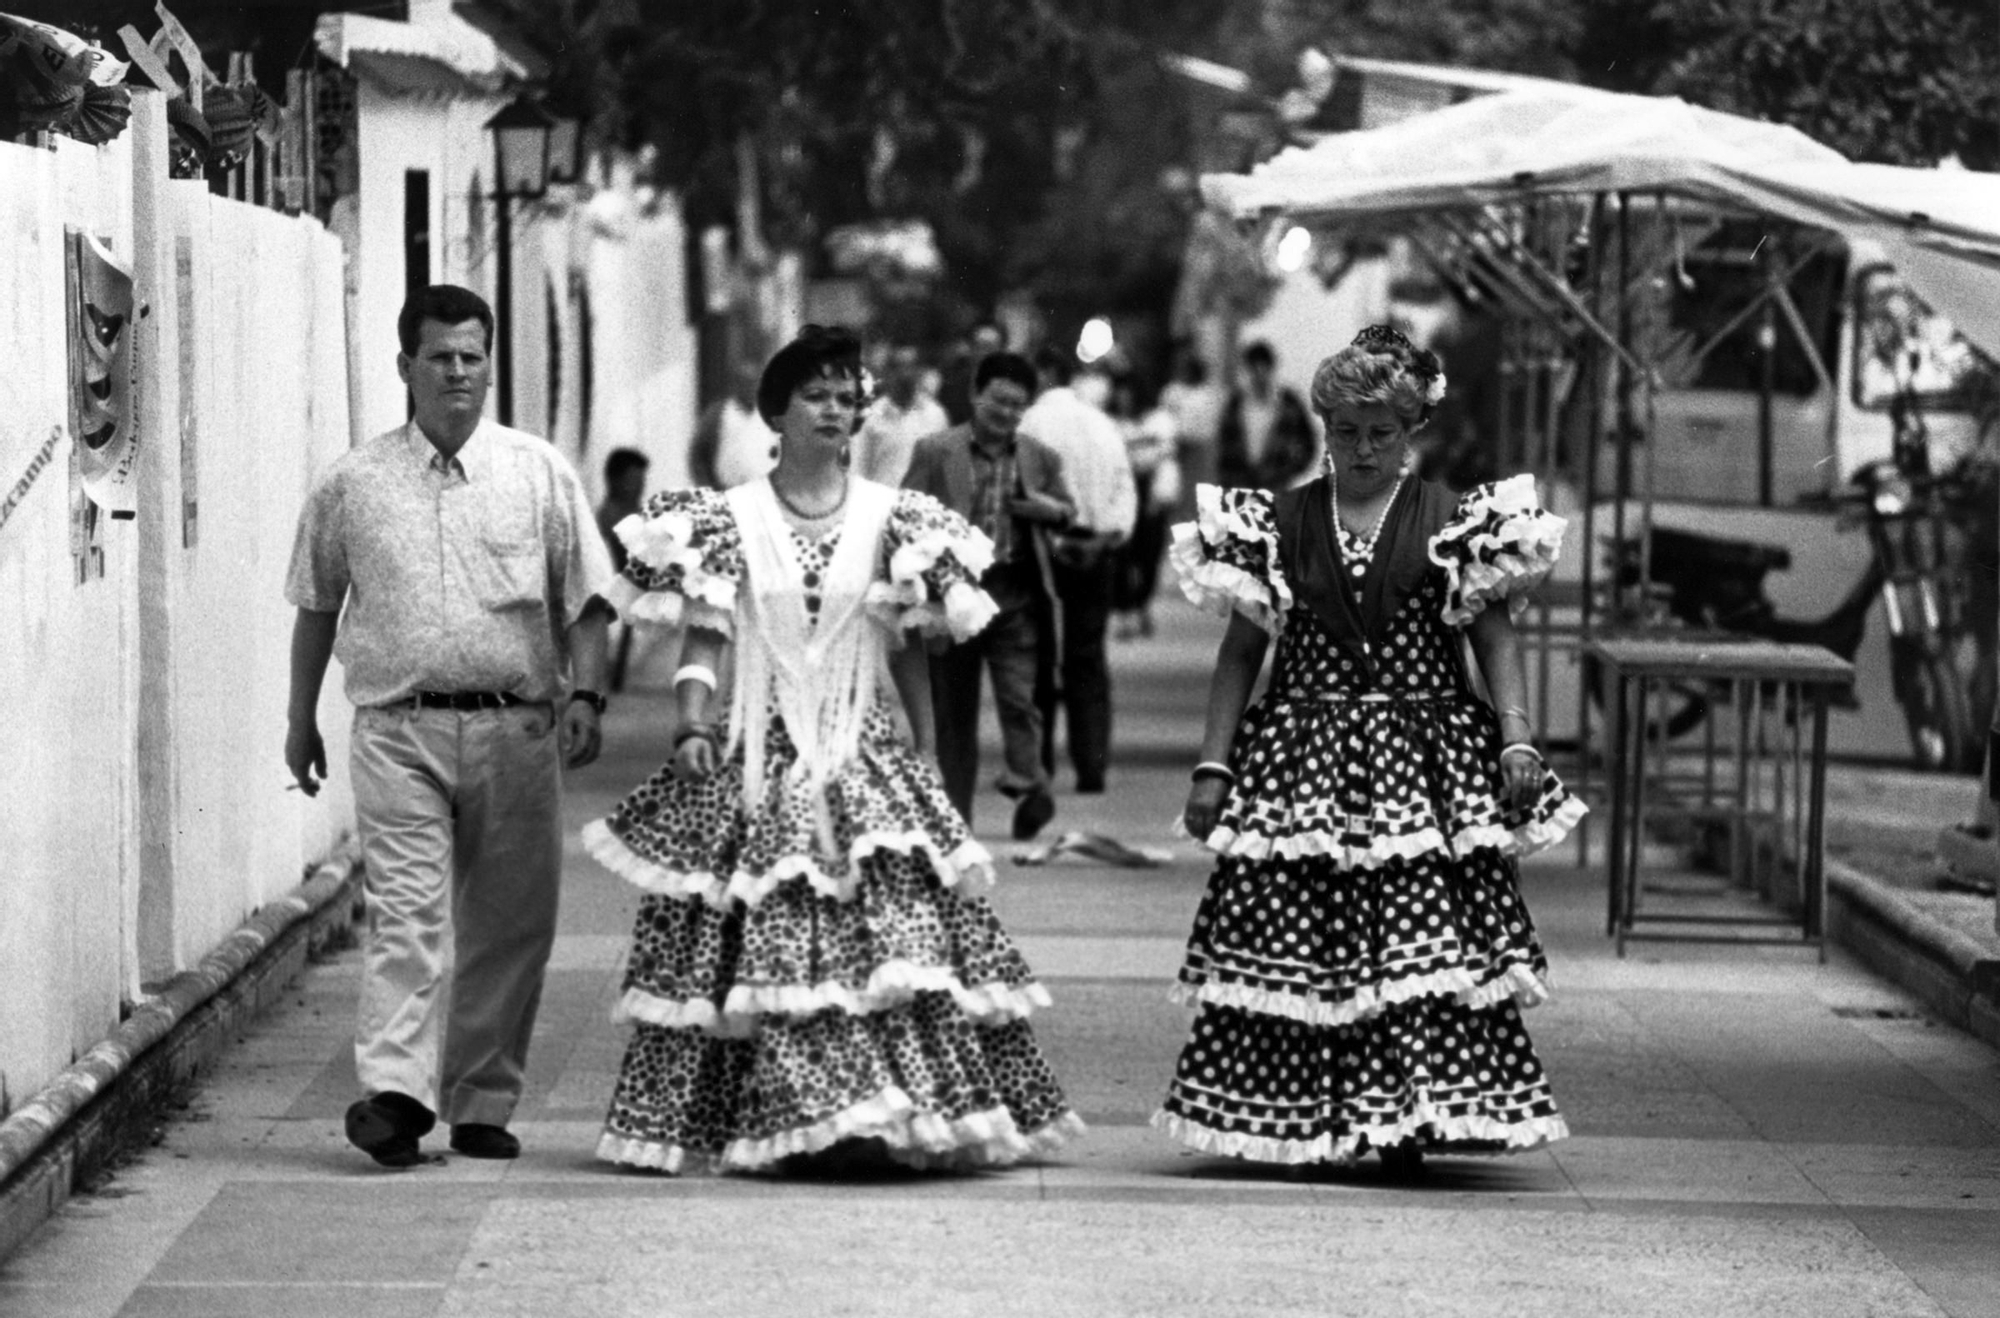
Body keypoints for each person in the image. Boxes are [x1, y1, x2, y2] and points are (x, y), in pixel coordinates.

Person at [582, 324, 1082, 1173]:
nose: (836, 411)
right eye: (817, 395)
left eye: (849, 398)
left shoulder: (900, 522)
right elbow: (703, 641)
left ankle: (882, 1114)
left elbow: (911, 645)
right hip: (756, 749)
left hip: (863, 747)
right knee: (759, 938)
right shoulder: (723, 521)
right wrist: (693, 722)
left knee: (895, 942)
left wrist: (923, 751)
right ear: (777, 409)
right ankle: (798, 1113)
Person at [1155, 324, 1582, 1179]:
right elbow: (1241, 655)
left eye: (1379, 433)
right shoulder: (1277, 521)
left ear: (1410, 430)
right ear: (1323, 428)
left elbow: (1493, 640)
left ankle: (1406, 1118)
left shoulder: (1458, 519)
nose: (1359, 449)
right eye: (1343, 431)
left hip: (1424, 763)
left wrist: (1517, 737)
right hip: (1300, 759)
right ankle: (1302, 1119)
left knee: (1416, 947)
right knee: (1301, 941)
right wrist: (1213, 766)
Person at [284, 284, 615, 1168]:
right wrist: (298, 718)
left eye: (473, 355)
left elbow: (587, 600)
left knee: (511, 923)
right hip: (399, 730)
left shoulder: (539, 472)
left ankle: (481, 1101)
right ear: (406, 367)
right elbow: (317, 605)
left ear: (489, 363)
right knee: (408, 916)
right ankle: (395, 1096)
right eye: (441, 356)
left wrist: (586, 696)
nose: (459, 371)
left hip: (517, 730)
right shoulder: (353, 484)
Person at [903, 351, 1074, 839]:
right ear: (977, 395)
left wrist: (1041, 507)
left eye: (1017, 406)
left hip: (1014, 594)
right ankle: (956, 820)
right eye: (998, 401)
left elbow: (1066, 510)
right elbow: (906, 510)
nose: (1005, 413)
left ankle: (1028, 780)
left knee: (1020, 700)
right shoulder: (936, 450)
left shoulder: (1039, 456)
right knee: (954, 713)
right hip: (953, 598)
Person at [1021, 347, 1135, 793]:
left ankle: (1040, 763)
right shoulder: (1104, 425)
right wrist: (1107, 540)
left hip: (1048, 549)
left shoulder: (1032, 423)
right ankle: (1092, 765)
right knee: (1087, 657)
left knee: (1041, 656)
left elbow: (1027, 492)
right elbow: (1125, 490)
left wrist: (1054, 542)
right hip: (1097, 548)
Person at [1109, 377, 1179, 640]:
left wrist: (1159, 496)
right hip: (1122, 491)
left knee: (1148, 555)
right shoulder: (1111, 423)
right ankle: (1125, 611)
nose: (1124, 400)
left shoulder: (1158, 421)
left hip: (1150, 492)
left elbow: (1166, 458)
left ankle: (1141, 606)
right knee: (1122, 557)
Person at [1216, 339, 1317, 491]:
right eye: (1254, 368)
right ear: (1248, 370)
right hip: (1241, 486)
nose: (1259, 374)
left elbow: (1308, 442)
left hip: (1277, 485)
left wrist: (1290, 471)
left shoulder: (1289, 403)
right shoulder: (1236, 404)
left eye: (1263, 368)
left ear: (1271, 368)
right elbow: (1224, 445)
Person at [853, 342, 948, 485]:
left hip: (922, 503)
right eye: (898, 367)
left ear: (919, 371)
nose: (905, 374)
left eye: (911, 367)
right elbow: (858, 470)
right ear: (887, 373)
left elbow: (944, 468)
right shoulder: (870, 418)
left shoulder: (935, 415)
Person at [597, 447, 651, 692]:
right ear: (614, 481)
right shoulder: (610, 516)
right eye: (633, 481)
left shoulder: (635, 513)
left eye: (641, 481)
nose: (639, 488)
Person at [690, 360, 779, 490]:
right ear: (735, 385)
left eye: (755, 384)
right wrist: (706, 486)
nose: (751, 388)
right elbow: (698, 454)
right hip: (726, 492)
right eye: (745, 383)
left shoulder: (771, 414)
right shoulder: (718, 413)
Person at [1158, 348, 1223, 511]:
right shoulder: (1172, 392)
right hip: (1176, 451)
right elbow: (1165, 421)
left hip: (1201, 453)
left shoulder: (1210, 394)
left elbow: (1211, 428)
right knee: (1176, 499)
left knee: (1202, 499)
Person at [936, 321, 1007, 427]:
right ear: (971, 349)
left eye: (992, 347)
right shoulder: (950, 389)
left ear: (1002, 352)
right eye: (981, 346)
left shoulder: (1015, 390)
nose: (987, 353)